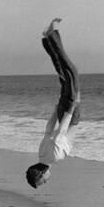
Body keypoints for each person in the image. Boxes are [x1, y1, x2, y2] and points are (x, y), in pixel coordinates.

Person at [26, 18, 81, 189]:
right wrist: (57, 108)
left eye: (43, 181)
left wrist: (71, 108)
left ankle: (52, 35)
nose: (46, 181)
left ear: (41, 173)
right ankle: (47, 40)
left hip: (70, 117)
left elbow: (60, 133)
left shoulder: (55, 158)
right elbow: (49, 128)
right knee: (64, 75)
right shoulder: (41, 154)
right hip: (61, 112)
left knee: (72, 72)